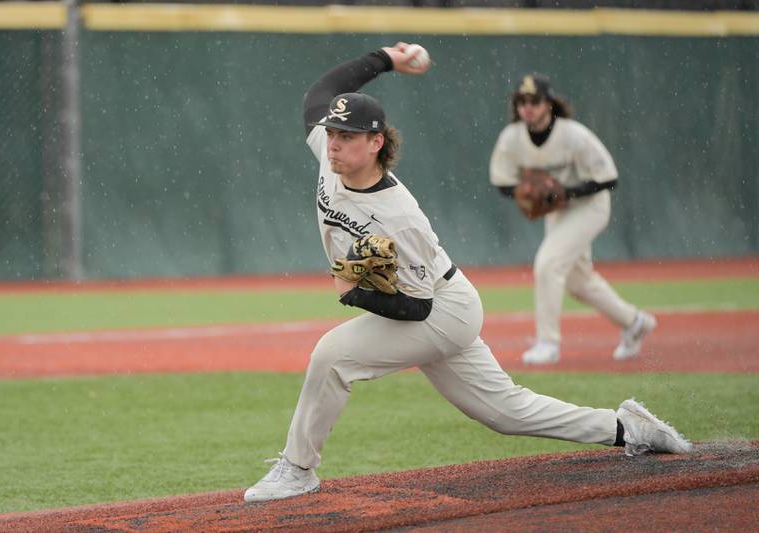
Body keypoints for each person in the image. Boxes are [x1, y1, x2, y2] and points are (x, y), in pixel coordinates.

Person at [243, 44, 691, 504]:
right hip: (427, 305)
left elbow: (416, 308)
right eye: (333, 132)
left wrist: (351, 290)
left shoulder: (400, 217)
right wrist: (386, 58)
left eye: (347, 136)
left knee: (332, 356)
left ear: (376, 143)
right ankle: (626, 427)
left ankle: (297, 470)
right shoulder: (328, 152)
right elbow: (321, 91)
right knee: (505, 412)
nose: (333, 143)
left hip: (441, 309)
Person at [489, 74, 657, 365]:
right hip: (558, 212)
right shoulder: (512, 138)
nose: (527, 107)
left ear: (549, 104)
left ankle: (548, 343)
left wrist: (566, 191)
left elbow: (609, 178)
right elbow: (502, 182)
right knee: (578, 282)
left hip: (589, 207)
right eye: (522, 101)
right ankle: (634, 323)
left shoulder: (573, 135)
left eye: (535, 101)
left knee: (548, 264)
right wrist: (525, 192)